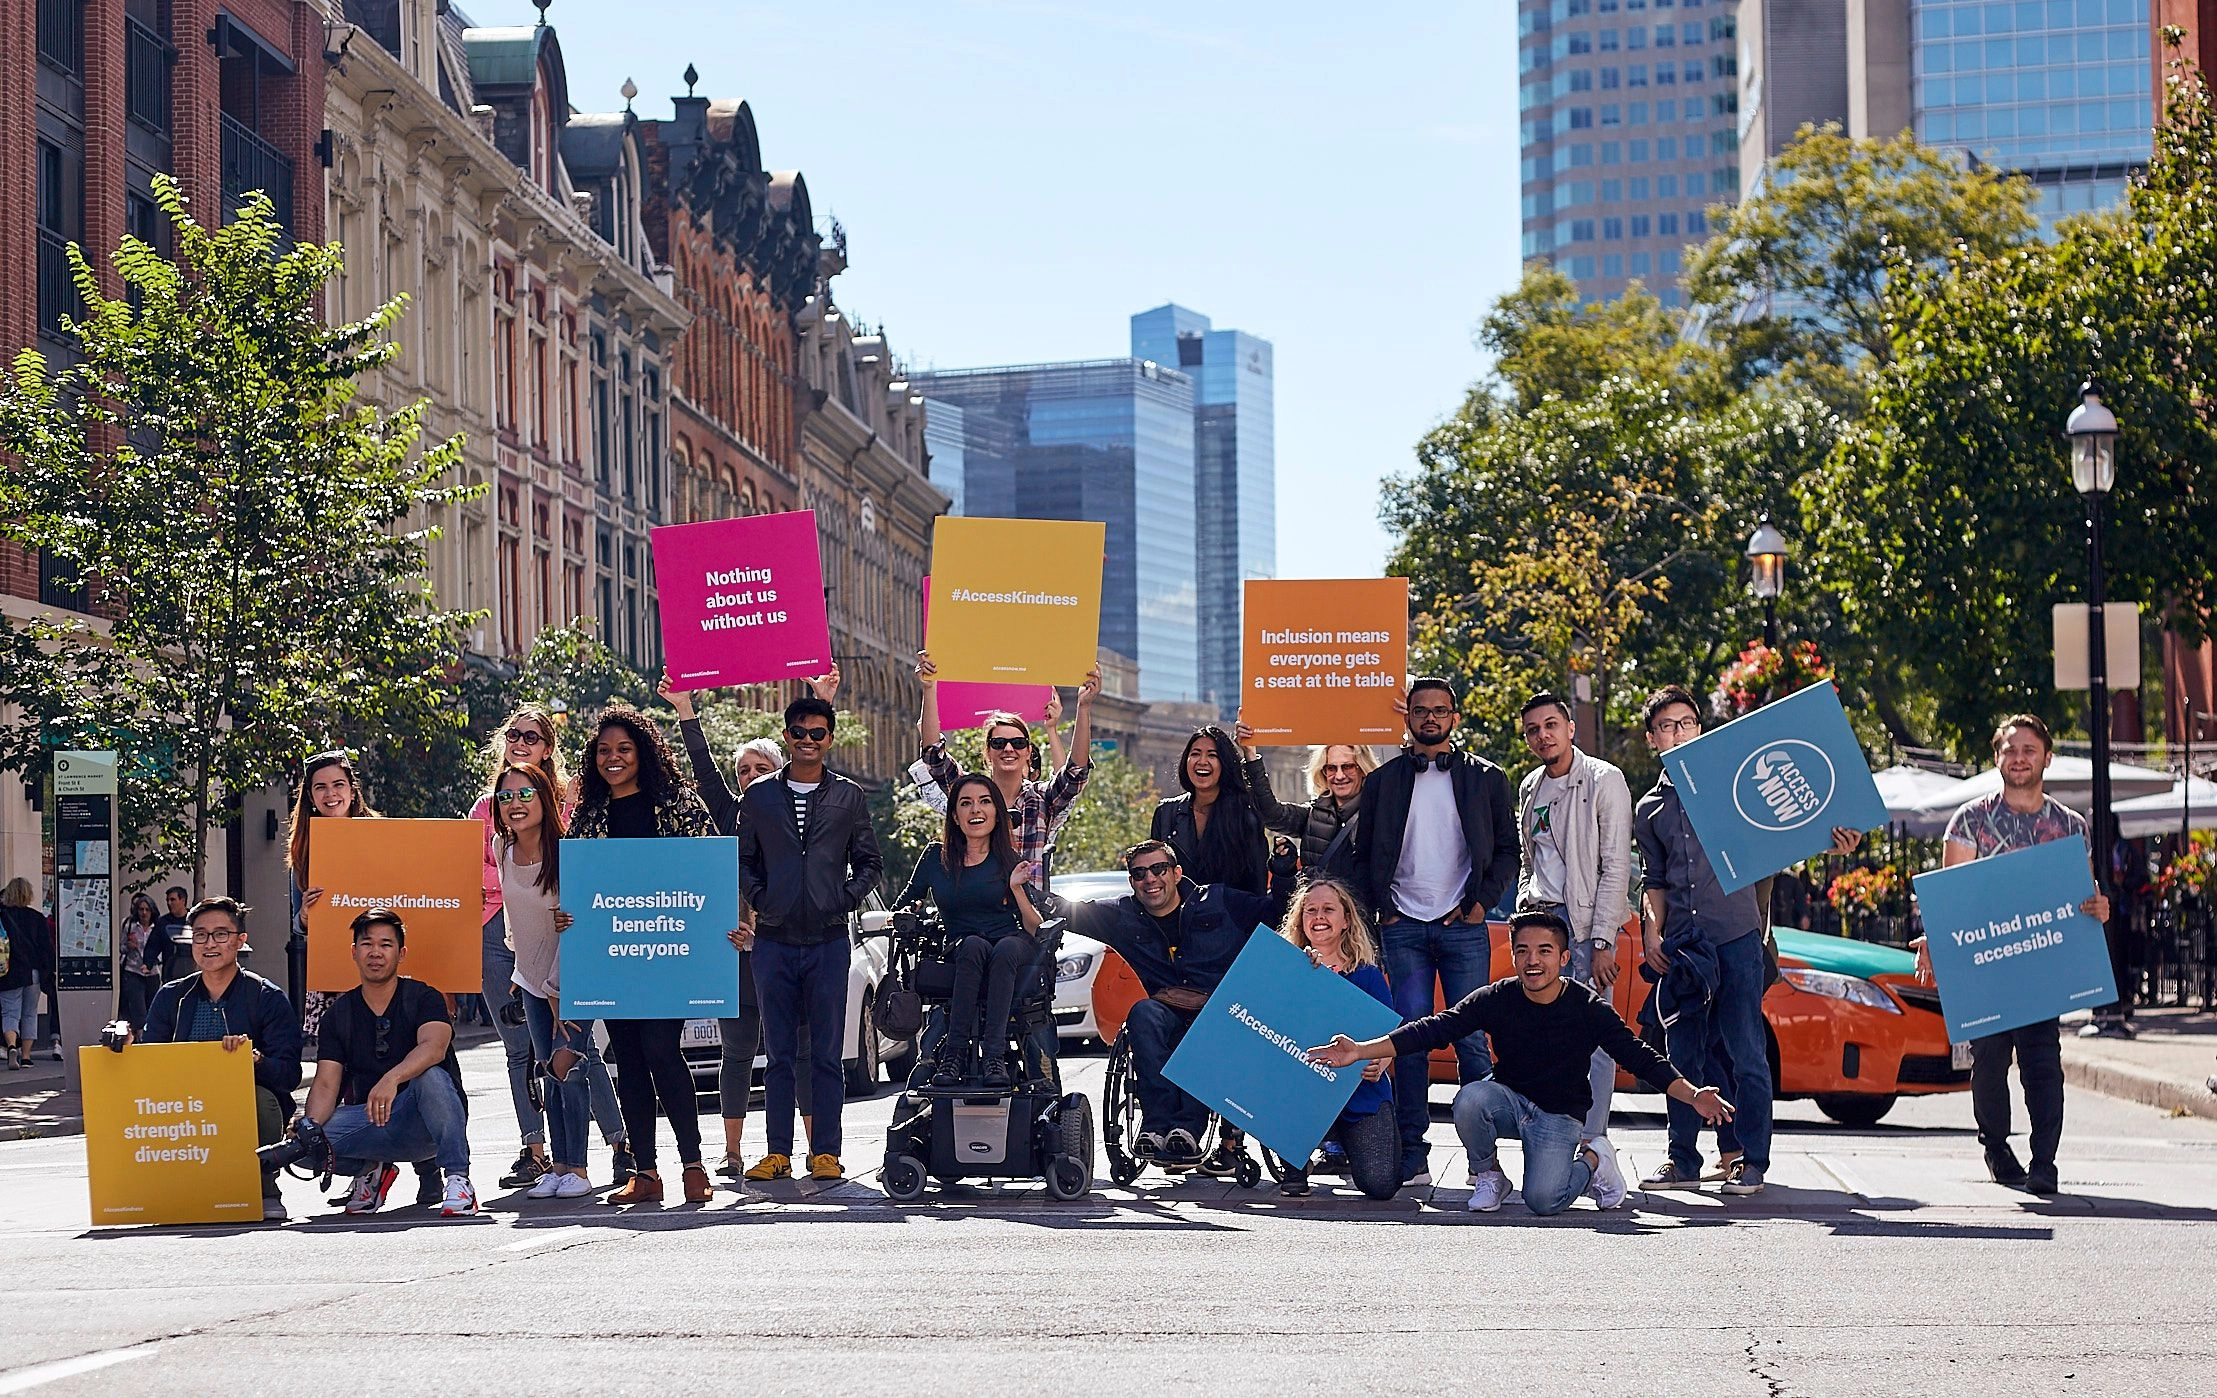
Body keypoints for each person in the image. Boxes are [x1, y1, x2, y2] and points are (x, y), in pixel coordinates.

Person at [1310, 909, 1736, 1216]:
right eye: (1524, 951)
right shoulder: (1497, 997)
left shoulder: (1587, 1007)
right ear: (1513, 957)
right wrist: (1361, 1050)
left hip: (1559, 1116)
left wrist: (1692, 1094)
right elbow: (1434, 1029)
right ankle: (1489, 1174)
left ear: (1564, 958)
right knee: (1471, 1100)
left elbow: (1640, 1058)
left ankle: (1593, 1160)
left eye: (1545, 951)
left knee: (1543, 1202)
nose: (1534, 960)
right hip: (1510, 1102)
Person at [1633, 685, 1861, 1197]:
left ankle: (1751, 1162)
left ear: (1700, 728)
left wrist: (1839, 837)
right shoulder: (1650, 809)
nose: (1679, 732)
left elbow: (1795, 823)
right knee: (1683, 1058)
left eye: (1687, 722)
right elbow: (1655, 880)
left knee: (1747, 1053)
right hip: (1684, 947)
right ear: (1652, 738)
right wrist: (1651, 928)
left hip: (1737, 940)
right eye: (1667, 726)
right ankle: (1683, 1159)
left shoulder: (1733, 786)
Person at [1915, 713, 2110, 1196]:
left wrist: (2099, 906)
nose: (2019, 758)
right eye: (2010, 749)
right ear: (1997, 757)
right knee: (1990, 1062)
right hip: (1985, 968)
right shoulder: (1971, 820)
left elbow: (2084, 894)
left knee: (2044, 1062)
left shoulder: (2070, 826)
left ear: (2046, 756)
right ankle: (1997, 1147)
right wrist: (1935, 944)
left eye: (2028, 749)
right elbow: (1951, 895)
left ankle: (2045, 1161)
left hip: (2041, 965)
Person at [661, 669, 840, 1177]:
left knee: (801, 1056)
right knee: (738, 1053)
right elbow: (702, 774)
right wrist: (685, 711)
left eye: (762, 767)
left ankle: (814, 1150)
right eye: (742, 770)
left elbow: (824, 770)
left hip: (795, 950)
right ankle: (734, 1150)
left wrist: (821, 699)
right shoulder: (733, 815)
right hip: (739, 959)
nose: (750, 776)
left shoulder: (806, 810)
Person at [1347, 677, 1520, 1187]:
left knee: (1470, 1040)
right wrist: (1384, 909)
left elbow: (1508, 851)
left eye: (1439, 711)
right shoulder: (1382, 783)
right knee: (1409, 1040)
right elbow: (1364, 856)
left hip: (1462, 926)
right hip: (1402, 925)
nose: (1430, 718)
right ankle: (1413, 1155)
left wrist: (1479, 905)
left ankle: (1482, 1163)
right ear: (1408, 718)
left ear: (1455, 718)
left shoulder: (1486, 778)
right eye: (1420, 710)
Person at [466, 707, 626, 1193]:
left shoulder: (570, 803)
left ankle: (616, 1147)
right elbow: (469, 865)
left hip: (565, 949)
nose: (519, 741)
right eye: (512, 734)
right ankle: (541, 1155)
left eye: (530, 736)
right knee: (528, 1055)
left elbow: (578, 876)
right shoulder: (490, 818)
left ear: (548, 747)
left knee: (572, 1053)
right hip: (507, 938)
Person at [567, 706, 720, 1206]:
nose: (613, 758)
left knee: (659, 1048)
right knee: (628, 1057)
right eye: (605, 750)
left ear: (643, 754)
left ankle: (694, 1165)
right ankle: (645, 1172)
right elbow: (578, 887)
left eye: (624, 749)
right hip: (614, 953)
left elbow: (707, 865)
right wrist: (567, 918)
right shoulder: (589, 816)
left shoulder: (675, 803)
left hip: (669, 947)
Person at [1059, 840, 1293, 1167]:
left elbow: (1277, 911)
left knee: (1211, 1021)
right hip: (1164, 1014)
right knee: (1142, 1012)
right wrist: (1018, 883)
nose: (1150, 879)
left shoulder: (1220, 901)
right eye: (1139, 873)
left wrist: (1282, 872)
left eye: (1158, 869)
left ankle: (1188, 1127)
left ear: (1177, 873)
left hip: (1216, 1015)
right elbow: (1065, 911)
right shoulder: (1122, 915)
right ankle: (1155, 1126)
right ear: (1131, 881)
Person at [736, 694, 885, 1184]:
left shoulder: (849, 796)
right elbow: (743, 860)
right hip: (774, 940)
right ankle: (777, 1152)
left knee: (825, 1053)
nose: (807, 741)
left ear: (829, 739)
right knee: (777, 1054)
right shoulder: (758, 797)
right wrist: (763, 899)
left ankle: (826, 1152)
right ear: (787, 736)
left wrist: (842, 899)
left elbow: (870, 862)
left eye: (816, 733)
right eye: (798, 732)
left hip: (826, 940)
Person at [123, 895, 301, 1219]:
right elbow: (150, 1062)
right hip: (183, 1103)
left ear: (240, 941)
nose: (209, 944)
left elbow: (289, 1074)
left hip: (240, 1102)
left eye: (221, 934)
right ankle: (162, 1187)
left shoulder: (267, 998)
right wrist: (127, 1042)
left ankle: (264, 1188)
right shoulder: (170, 996)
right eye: (200, 934)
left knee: (263, 1100)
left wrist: (255, 1059)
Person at [1514, 692, 1634, 1162]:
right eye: (1532, 730)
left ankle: (1594, 1140)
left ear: (1570, 728)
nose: (1542, 735)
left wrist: (1602, 939)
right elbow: (1531, 857)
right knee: (1539, 1033)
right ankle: (1552, 1138)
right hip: (1539, 918)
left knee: (1594, 1035)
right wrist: (1525, 903)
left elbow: (1615, 864)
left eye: (1550, 725)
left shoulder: (1604, 779)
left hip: (1583, 923)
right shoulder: (1530, 786)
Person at [296, 909, 476, 1217]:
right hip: (371, 1120)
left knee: (430, 1075)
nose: (375, 952)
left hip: (425, 1123)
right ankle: (371, 1170)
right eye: (367, 944)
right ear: (354, 952)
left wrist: (391, 1079)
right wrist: (308, 1126)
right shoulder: (338, 1014)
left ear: (401, 953)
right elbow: (326, 1083)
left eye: (385, 944)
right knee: (304, 1144)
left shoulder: (425, 997)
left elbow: (434, 1047)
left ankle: (458, 1178)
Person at [897, 775, 1045, 1088]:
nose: (975, 810)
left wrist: (1016, 888)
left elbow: (1034, 926)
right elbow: (905, 903)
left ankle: (994, 1055)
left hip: (1013, 943)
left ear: (996, 813)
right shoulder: (936, 858)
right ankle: (954, 1054)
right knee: (975, 946)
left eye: (984, 801)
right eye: (966, 803)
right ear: (954, 815)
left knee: (1002, 948)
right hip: (963, 948)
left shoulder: (1009, 860)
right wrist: (905, 915)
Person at [491, 761, 593, 1200]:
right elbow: (519, 922)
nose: (515, 804)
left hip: (570, 980)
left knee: (567, 1065)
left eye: (525, 794)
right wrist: (521, 973)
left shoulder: (567, 851)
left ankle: (580, 1169)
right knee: (548, 1074)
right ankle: (559, 1165)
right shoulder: (501, 849)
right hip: (529, 981)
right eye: (506, 796)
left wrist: (556, 989)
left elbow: (578, 926)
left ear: (544, 798)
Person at [916, 651, 1103, 874]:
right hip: (980, 906)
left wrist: (1084, 708)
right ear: (987, 752)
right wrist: (929, 688)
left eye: (1017, 742)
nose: (1008, 749)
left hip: (1029, 907)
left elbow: (1075, 773)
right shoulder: (970, 793)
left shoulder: (1042, 799)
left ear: (1028, 752)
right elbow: (934, 756)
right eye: (998, 743)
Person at [1274, 878, 1399, 1200]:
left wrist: (1381, 1061)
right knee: (1270, 1091)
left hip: (1358, 1092)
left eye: (1328, 909)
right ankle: (1295, 1162)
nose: (1319, 916)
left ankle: (1343, 1138)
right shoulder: (1284, 969)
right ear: (1300, 920)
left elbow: (1390, 1036)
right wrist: (1305, 976)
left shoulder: (1368, 975)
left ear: (1346, 921)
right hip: (1299, 1095)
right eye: (1310, 910)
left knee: (1381, 1185)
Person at [1152, 725, 1274, 895]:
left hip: (1229, 917)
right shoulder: (1166, 813)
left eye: (1212, 755)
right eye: (1195, 754)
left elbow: (1256, 886)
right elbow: (1154, 874)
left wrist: (1251, 755)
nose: (1202, 761)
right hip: (1176, 919)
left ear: (1225, 764)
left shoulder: (1245, 815)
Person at [1246, 737, 1375, 876]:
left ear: (1362, 768)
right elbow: (1271, 815)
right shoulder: (1313, 816)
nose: (1339, 776)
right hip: (1320, 896)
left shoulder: (1381, 814)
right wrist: (1251, 756)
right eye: (1331, 768)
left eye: (1347, 767)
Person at [1, 880, 55, 1071]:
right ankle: (25, 1056)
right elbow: (46, 949)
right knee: (30, 1014)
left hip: (9, 971)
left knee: (10, 1012)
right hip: (33, 972)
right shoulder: (37, 918)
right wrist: (48, 972)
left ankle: (11, 1046)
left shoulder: (3, 916)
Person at [117, 893, 164, 1031]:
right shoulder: (129, 925)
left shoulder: (158, 926)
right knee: (139, 1010)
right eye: (141, 909)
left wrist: (153, 962)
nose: (144, 913)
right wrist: (128, 947)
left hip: (152, 973)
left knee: (152, 1008)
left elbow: (162, 948)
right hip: (133, 971)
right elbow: (121, 947)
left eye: (147, 909)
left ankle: (149, 1035)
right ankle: (141, 1037)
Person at [152, 886, 193, 982]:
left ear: (183, 901)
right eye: (167, 900)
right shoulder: (163, 922)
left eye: (173, 900)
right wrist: (148, 962)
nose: (169, 903)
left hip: (192, 971)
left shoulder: (195, 920)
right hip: (170, 972)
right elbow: (154, 943)